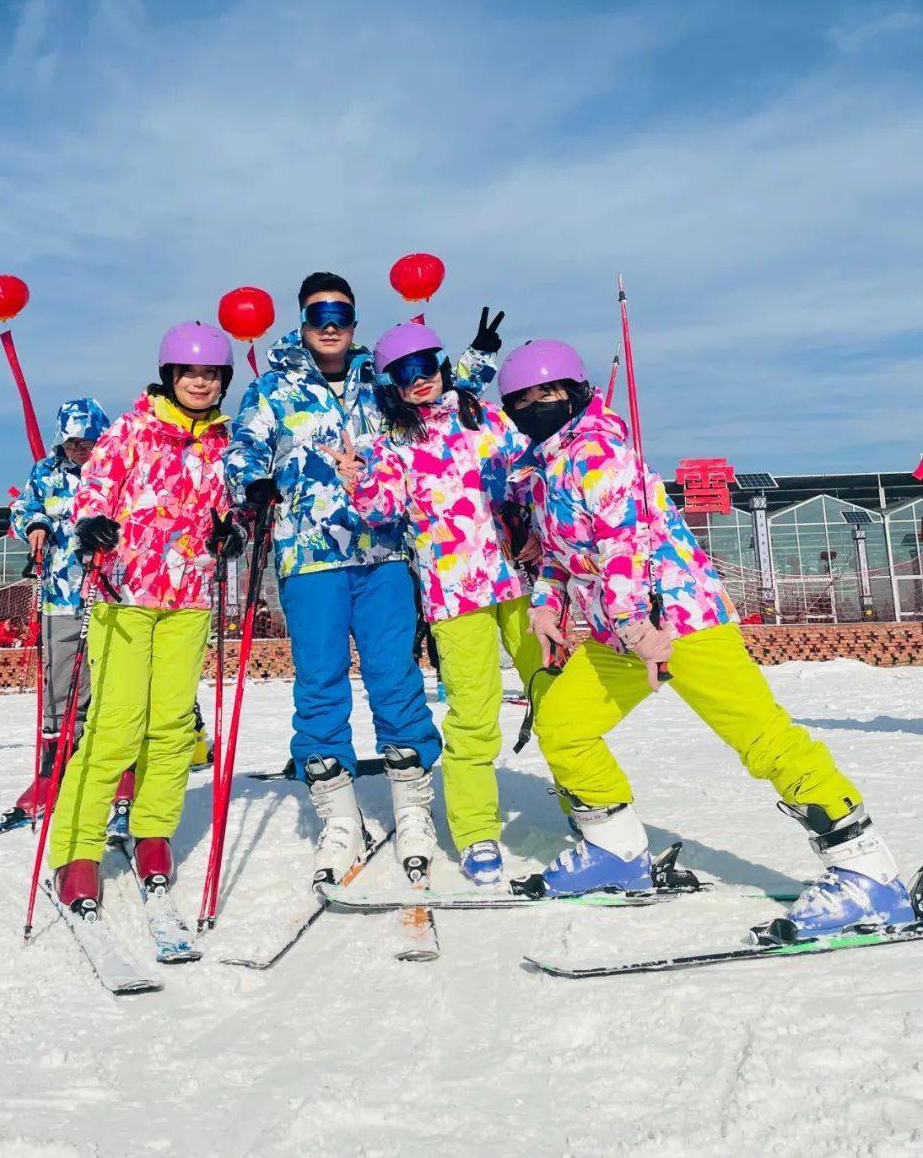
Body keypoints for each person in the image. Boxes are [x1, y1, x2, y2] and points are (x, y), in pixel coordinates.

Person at [498, 338, 916, 941]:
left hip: (678, 620)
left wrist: (641, 626)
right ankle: (615, 851)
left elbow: (623, 547)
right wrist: (545, 603)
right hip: (623, 631)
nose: (536, 405)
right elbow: (565, 554)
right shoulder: (543, 469)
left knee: (759, 737)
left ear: (577, 392)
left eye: (548, 393)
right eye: (522, 400)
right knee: (563, 721)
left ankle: (867, 874)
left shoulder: (599, 453)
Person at [224, 271, 500, 884]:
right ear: (301, 321)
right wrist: (251, 482)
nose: (330, 324)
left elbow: (438, 394)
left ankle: (412, 810)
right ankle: (339, 818)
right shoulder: (272, 389)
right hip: (311, 556)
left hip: (384, 552)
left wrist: (477, 360)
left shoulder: (380, 382)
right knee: (320, 684)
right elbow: (241, 447)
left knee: (395, 677)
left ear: (354, 323)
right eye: (319, 312)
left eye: (341, 314)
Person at [331, 320, 543, 886]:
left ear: (442, 365)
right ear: (390, 384)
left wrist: (531, 502)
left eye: (426, 366)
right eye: (404, 373)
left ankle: (591, 806)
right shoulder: (390, 442)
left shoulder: (484, 415)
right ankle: (476, 831)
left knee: (554, 691)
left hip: (518, 580)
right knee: (474, 714)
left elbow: (526, 471)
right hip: (455, 591)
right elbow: (381, 513)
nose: (418, 380)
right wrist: (356, 478)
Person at [47, 322, 244, 911]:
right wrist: (89, 524)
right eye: (191, 373)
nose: (201, 383)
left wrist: (231, 533)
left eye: (211, 375)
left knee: (172, 726)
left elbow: (227, 507)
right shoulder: (132, 429)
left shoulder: (226, 440)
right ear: (170, 376)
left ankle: (153, 830)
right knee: (116, 725)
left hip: (189, 597)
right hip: (124, 593)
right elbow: (95, 488)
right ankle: (76, 848)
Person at [9, 398, 112, 817]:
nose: (79, 449)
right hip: (61, 595)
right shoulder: (46, 472)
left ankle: (112, 768)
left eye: (87, 441)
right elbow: (25, 507)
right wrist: (35, 524)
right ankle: (54, 767)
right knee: (60, 685)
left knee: (109, 683)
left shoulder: (114, 467)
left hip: (109, 594)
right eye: (72, 442)